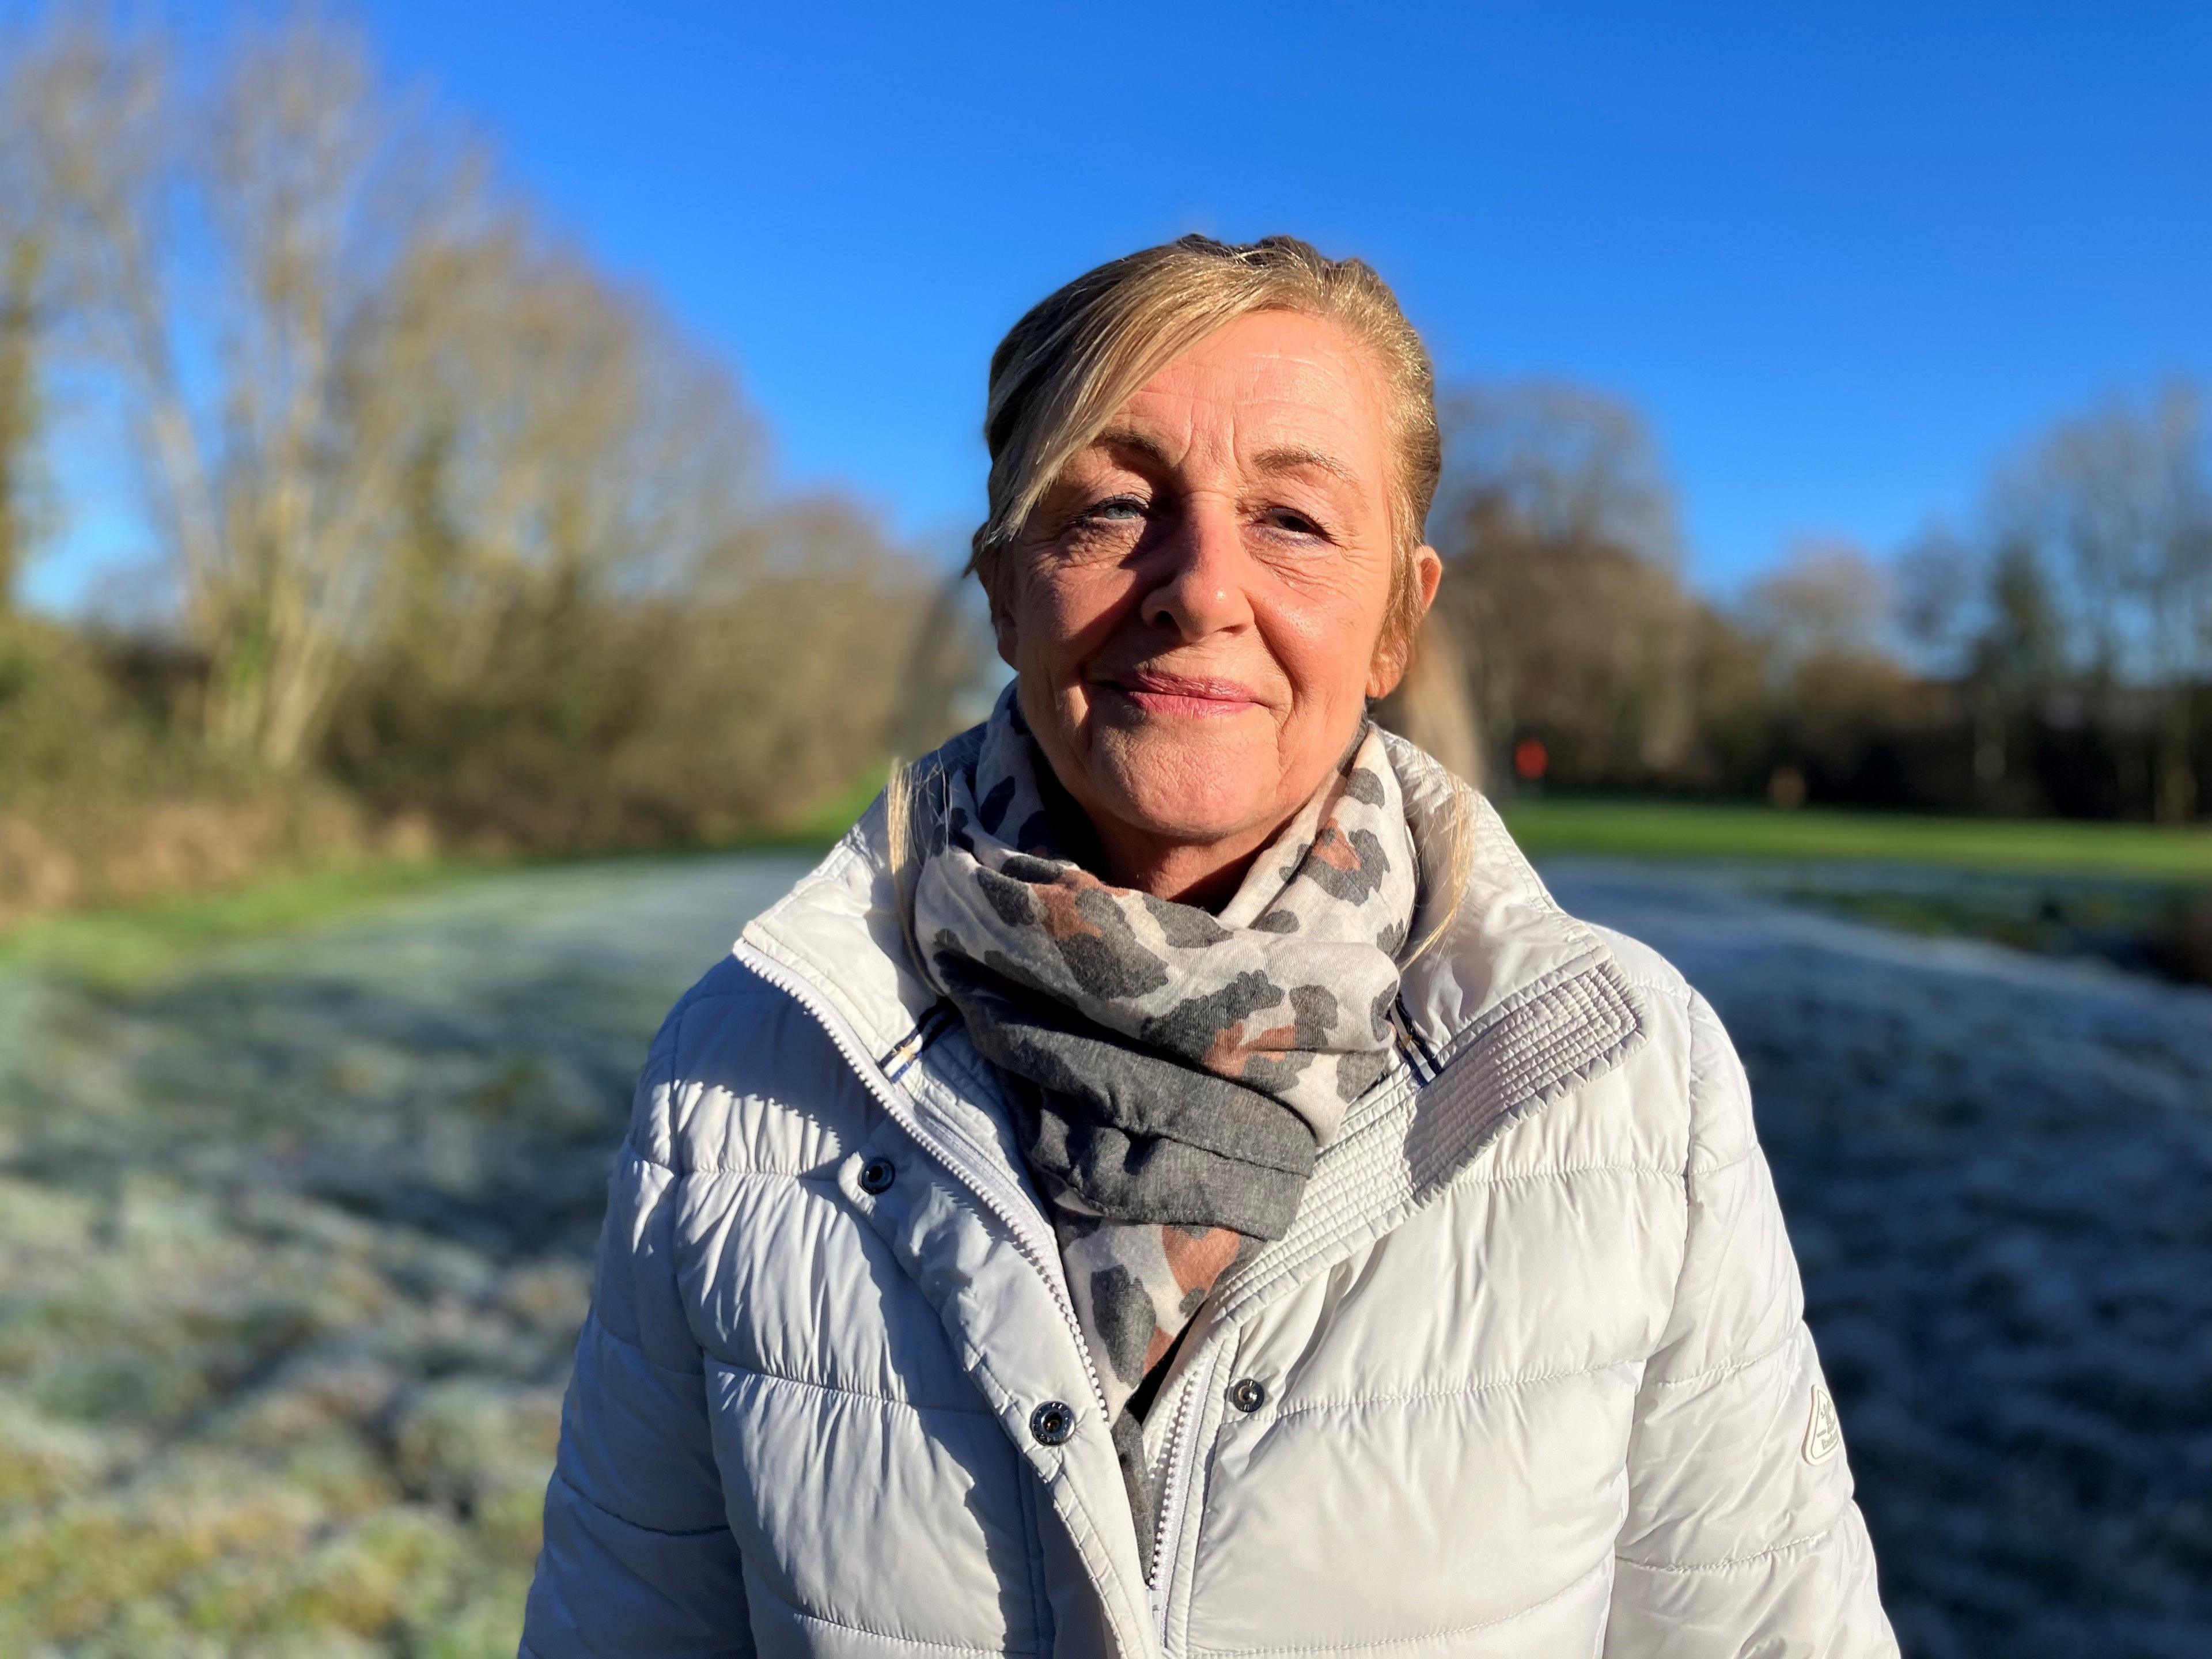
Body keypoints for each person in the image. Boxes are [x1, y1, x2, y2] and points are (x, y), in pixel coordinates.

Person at [519, 236, 1896, 1659]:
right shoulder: (737, 1072)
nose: (1197, 585)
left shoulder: (1625, 1080)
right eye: (1110, 506)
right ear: (1003, 592)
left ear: (1396, 623)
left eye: (1294, 520)